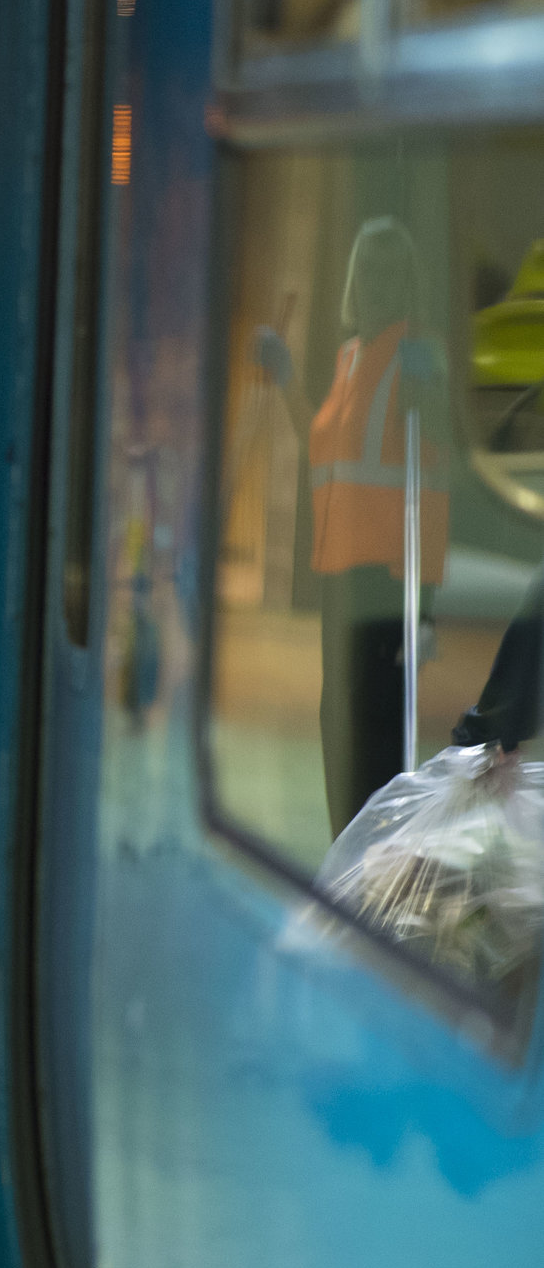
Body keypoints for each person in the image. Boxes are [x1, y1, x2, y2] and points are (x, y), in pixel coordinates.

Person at [253, 216, 449, 831]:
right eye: (368, 269)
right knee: (338, 728)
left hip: (391, 583)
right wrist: (285, 375)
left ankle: (375, 880)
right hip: (342, 576)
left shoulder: (420, 354)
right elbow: (324, 449)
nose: (377, 282)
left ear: (409, 282)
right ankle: (349, 858)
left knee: (376, 740)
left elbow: (436, 447)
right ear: (352, 281)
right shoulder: (349, 359)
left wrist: (426, 608)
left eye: (391, 271)